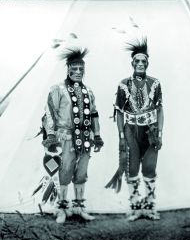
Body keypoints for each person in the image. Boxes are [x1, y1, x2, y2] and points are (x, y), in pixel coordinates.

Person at [42, 46, 104, 223]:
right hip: (65, 137)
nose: (78, 72)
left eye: (81, 69)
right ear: (68, 69)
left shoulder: (88, 91)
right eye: (74, 69)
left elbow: (94, 113)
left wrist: (97, 135)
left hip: (85, 138)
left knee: (82, 172)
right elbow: (50, 113)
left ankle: (78, 206)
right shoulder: (58, 89)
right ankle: (61, 208)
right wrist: (51, 136)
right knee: (65, 170)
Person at [107, 37, 164, 221]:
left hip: (150, 131)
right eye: (137, 61)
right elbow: (120, 113)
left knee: (149, 167)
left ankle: (149, 206)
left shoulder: (155, 83)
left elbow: (160, 109)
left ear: (147, 63)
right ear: (132, 62)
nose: (140, 64)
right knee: (132, 168)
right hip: (131, 130)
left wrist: (160, 133)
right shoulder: (123, 84)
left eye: (143, 61)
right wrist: (122, 136)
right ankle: (134, 205)